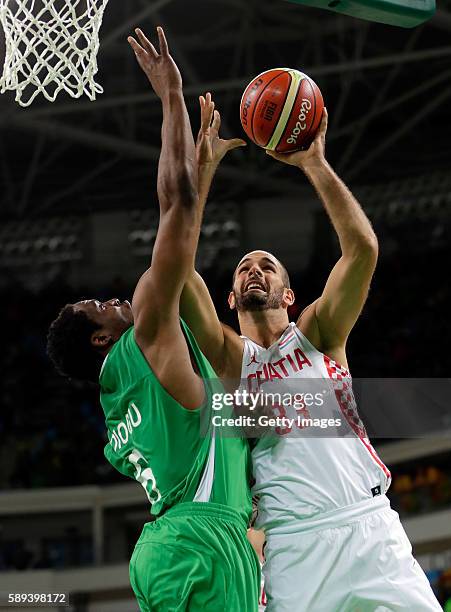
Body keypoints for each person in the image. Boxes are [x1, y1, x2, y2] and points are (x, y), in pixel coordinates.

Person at [180, 107, 442, 611]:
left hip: (368, 530)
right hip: (293, 547)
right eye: (243, 268)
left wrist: (314, 164)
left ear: (288, 294)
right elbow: (178, 273)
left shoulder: (319, 334)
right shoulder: (230, 360)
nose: (255, 270)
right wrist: (201, 177)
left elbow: (362, 249)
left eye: (268, 266)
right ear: (230, 298)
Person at [46, 27, 259, 612]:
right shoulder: (144, 334)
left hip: (164, 547)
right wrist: (171, 97)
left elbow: (182, 254)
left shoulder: (124, 395)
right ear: (99, 336)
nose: (114, 299)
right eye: (100, 307)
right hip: (201, 537)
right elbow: (175, 206)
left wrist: (204, 175)